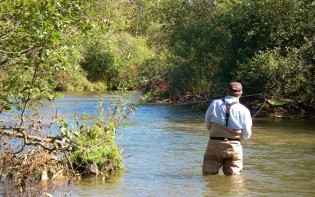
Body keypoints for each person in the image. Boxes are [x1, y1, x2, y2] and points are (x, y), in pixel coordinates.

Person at [202, 82, 252, 175]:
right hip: (234, 146)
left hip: (215, 144)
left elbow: (207, 124)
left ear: (227, 91)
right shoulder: (244, 110)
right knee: (234, 178)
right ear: (241, 93)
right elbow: (246, 134)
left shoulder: (215, 103)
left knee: (208, 175)